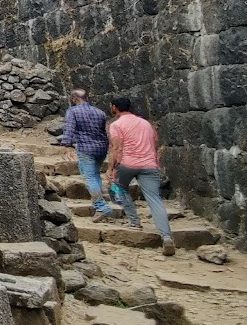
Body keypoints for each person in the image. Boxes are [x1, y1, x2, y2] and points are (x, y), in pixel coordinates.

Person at [104, 96, 175, 256]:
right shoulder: (146, 124)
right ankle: (166, 236)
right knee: (155, 200)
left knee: (119, 188)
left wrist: (112, 168)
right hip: (150, 165)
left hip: (128, 164)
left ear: (114, 107)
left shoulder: (116, 125)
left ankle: (134, 221)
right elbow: (153, 143)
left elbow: (116, 148)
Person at [57, 89, 112, 219]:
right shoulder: (100, 112)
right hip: (102, 148)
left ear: (74, 98)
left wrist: (66, 145)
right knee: (96, 175)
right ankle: (99, 205)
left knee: (89, 177)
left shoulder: (73, 111)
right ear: (87, 97)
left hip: (86, 148)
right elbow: (106, 131)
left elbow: (69, 128)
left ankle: (101, 206)